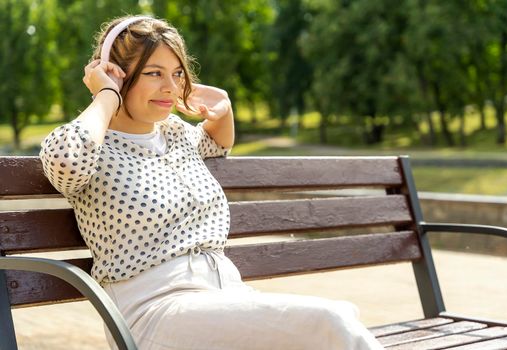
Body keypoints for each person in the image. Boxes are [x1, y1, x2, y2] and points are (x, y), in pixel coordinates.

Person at [39, 15, 383, 350]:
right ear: (116, 75)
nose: (170, 87)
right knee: (330, 322)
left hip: (222, 297)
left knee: (334, 323)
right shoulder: (91, 144)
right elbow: (66, 162)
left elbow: (217, 143)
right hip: (154, 314)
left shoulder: (176, 135)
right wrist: (106, 95)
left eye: (176, 74)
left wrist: (223, 108)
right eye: (153, 73)